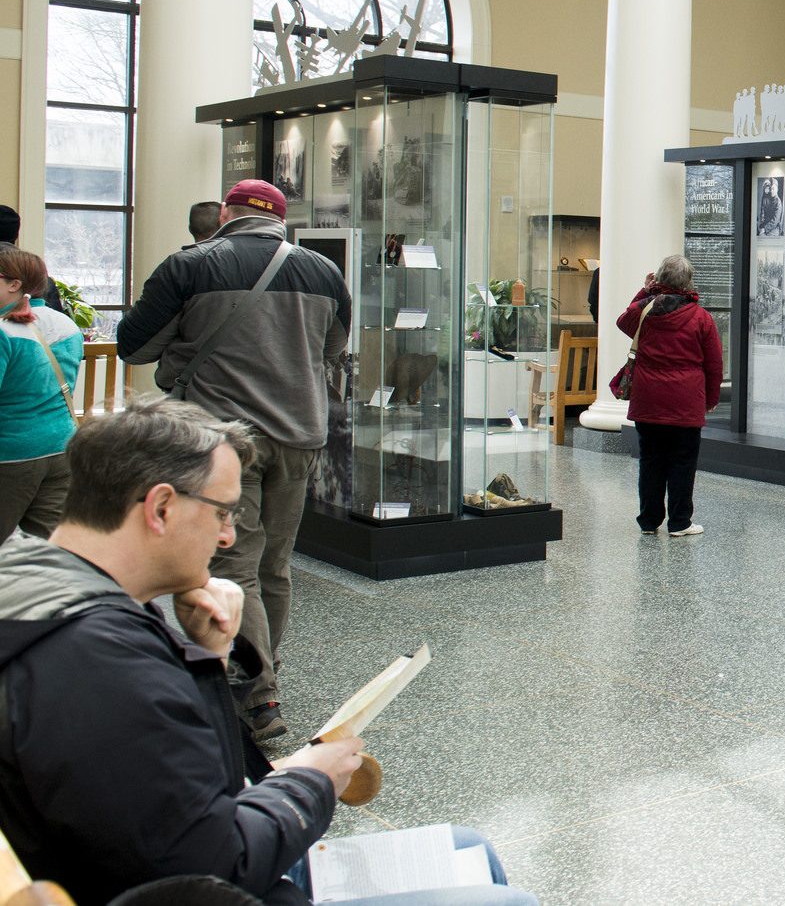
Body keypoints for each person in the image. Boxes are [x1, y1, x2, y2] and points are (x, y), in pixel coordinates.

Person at [0, 399, 534, 906]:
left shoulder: (40, 585)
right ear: (161, 506)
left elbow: (184, 783)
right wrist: (312, 780)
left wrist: (207, 656)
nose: (228, 537)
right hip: (212, 882)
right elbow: (215, 866)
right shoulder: (99, 660)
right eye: (222, 513)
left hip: (175, 861)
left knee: (470, 848)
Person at [116, 179, 349, 742]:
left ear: (226, 212)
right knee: (274, 561)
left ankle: (256, 692)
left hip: (224, 443)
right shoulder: (323, 272)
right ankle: (265, 670)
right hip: (300, 433)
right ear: (280, 218)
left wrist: (186, 350)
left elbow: (133, 345)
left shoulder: (189, 266)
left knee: (232, 563)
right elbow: (334, 350)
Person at [619, 255, 723, 537]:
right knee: (683, 462)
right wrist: (711, 399)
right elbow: (714, 364)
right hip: (685, 403)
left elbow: (623, 321)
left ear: (659, 280)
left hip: (648, 400)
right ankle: (680, 522)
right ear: (688, 282)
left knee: (651, 461)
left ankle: (649, 521)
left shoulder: (644, 310)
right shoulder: (701, 318)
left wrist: (645, 290)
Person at [0, 248, 79, 540]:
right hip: (61, 446)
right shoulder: (66, 324)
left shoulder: (3, 330)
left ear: (14, 284)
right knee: (53, 549)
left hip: (10, 452)